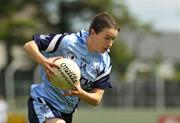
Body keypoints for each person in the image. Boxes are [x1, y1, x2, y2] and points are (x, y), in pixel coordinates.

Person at [24, 12, 119, 123]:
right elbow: (29, 45)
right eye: (107, 38)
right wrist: (43, 61)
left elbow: (96, 99)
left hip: (66, 112)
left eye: (113, 39)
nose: (110, 44)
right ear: (93, 33)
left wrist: (80, 93)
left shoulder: (105, 62)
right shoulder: (68, 42)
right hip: (43, 101)